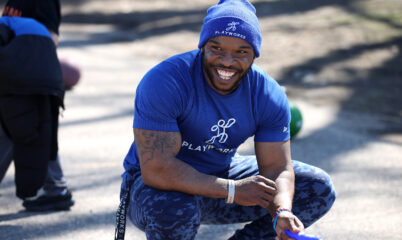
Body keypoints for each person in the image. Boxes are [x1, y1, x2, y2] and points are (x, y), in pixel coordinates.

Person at [117, 0, 336, 239]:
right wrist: (232, 190)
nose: (227, 61)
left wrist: (281, 210)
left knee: (317, 188)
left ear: (254, 54)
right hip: (155, 190)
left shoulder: (267, 94)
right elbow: (157, 170)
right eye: (216, 48)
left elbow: (277, 167)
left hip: (222, 174)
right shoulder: (166, 81)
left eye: (241, 51)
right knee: (175, 209)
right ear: (202, 46)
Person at [0, 0, 74, 211]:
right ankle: (55, 188)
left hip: (31, 75)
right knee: (36, 130)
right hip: (20, 76)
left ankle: (56, 189)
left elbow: (52, 38)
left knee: (18, 129)